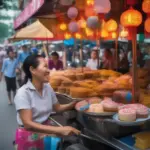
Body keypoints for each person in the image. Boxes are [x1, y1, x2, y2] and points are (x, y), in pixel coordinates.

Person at [14, 55, 80, 149]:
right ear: (32, 70)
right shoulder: (23, 93)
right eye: (45, 66)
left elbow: (57, 108)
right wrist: (59, 130)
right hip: (28, 137)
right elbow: (28, 124)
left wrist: (73, 104)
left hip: (45, 134)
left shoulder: (47, 87)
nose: (48, 70)